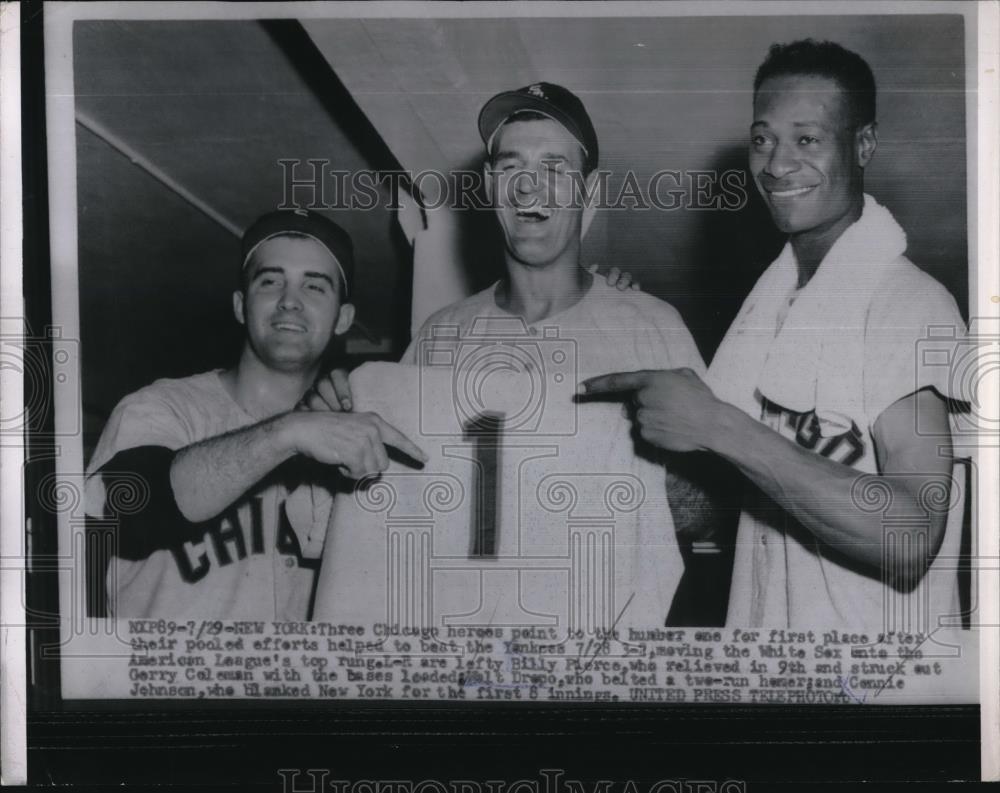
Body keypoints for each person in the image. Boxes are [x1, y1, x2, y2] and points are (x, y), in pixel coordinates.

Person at [583, 40, 967, 631]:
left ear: (863, 144)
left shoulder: (907, 305)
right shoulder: (773, 314)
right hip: (781, 676)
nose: (777, 164)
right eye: (763, 140)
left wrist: (718, 424)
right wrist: (613, 317)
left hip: (881, 691)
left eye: (807, 139)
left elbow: (910, 537)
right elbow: (705, 513)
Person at [393, 82, 715, 625]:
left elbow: (710, 510)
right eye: (511, 166)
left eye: (555, 169)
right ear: (492, 186)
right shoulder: (438, 337)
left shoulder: (652, 328)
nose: (528, 188)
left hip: (598, 664)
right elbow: (395, 497)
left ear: (589, 194)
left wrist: (640, 456)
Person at [85, 209, 426, 619]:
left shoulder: (357, 437)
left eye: (314, 287)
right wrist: (287, 432)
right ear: (240, 305)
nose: (290, 301)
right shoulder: (161, 407)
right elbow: (131, 510)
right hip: (161, 681)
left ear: (344, 319)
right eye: (270, 281)